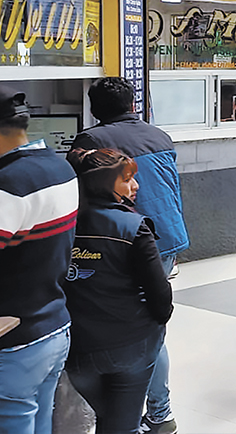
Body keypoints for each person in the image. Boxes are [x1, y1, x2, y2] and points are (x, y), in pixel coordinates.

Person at [71, 76, 188, 433]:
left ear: (94, 110)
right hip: (162, 235)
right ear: (132, 103)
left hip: (116, 239)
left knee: (120, 322)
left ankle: (125, 411)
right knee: (154, 325)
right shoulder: (159, 135)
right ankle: (160, 412)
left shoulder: (92, 141)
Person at [63, 148, 173, 434]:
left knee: (111, 418)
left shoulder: (61, 225)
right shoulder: (133, 226)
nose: (135, 186)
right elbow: (161, 298)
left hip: (78, 349)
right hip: (131, 347)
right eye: (126, 180)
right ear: (104, 183)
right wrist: (154, 325)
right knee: (121, 424)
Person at [0, 86, 77, 434]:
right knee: (42, 421)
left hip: (14, 339)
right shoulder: (61, 169)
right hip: (54, 327)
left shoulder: (8, 184)